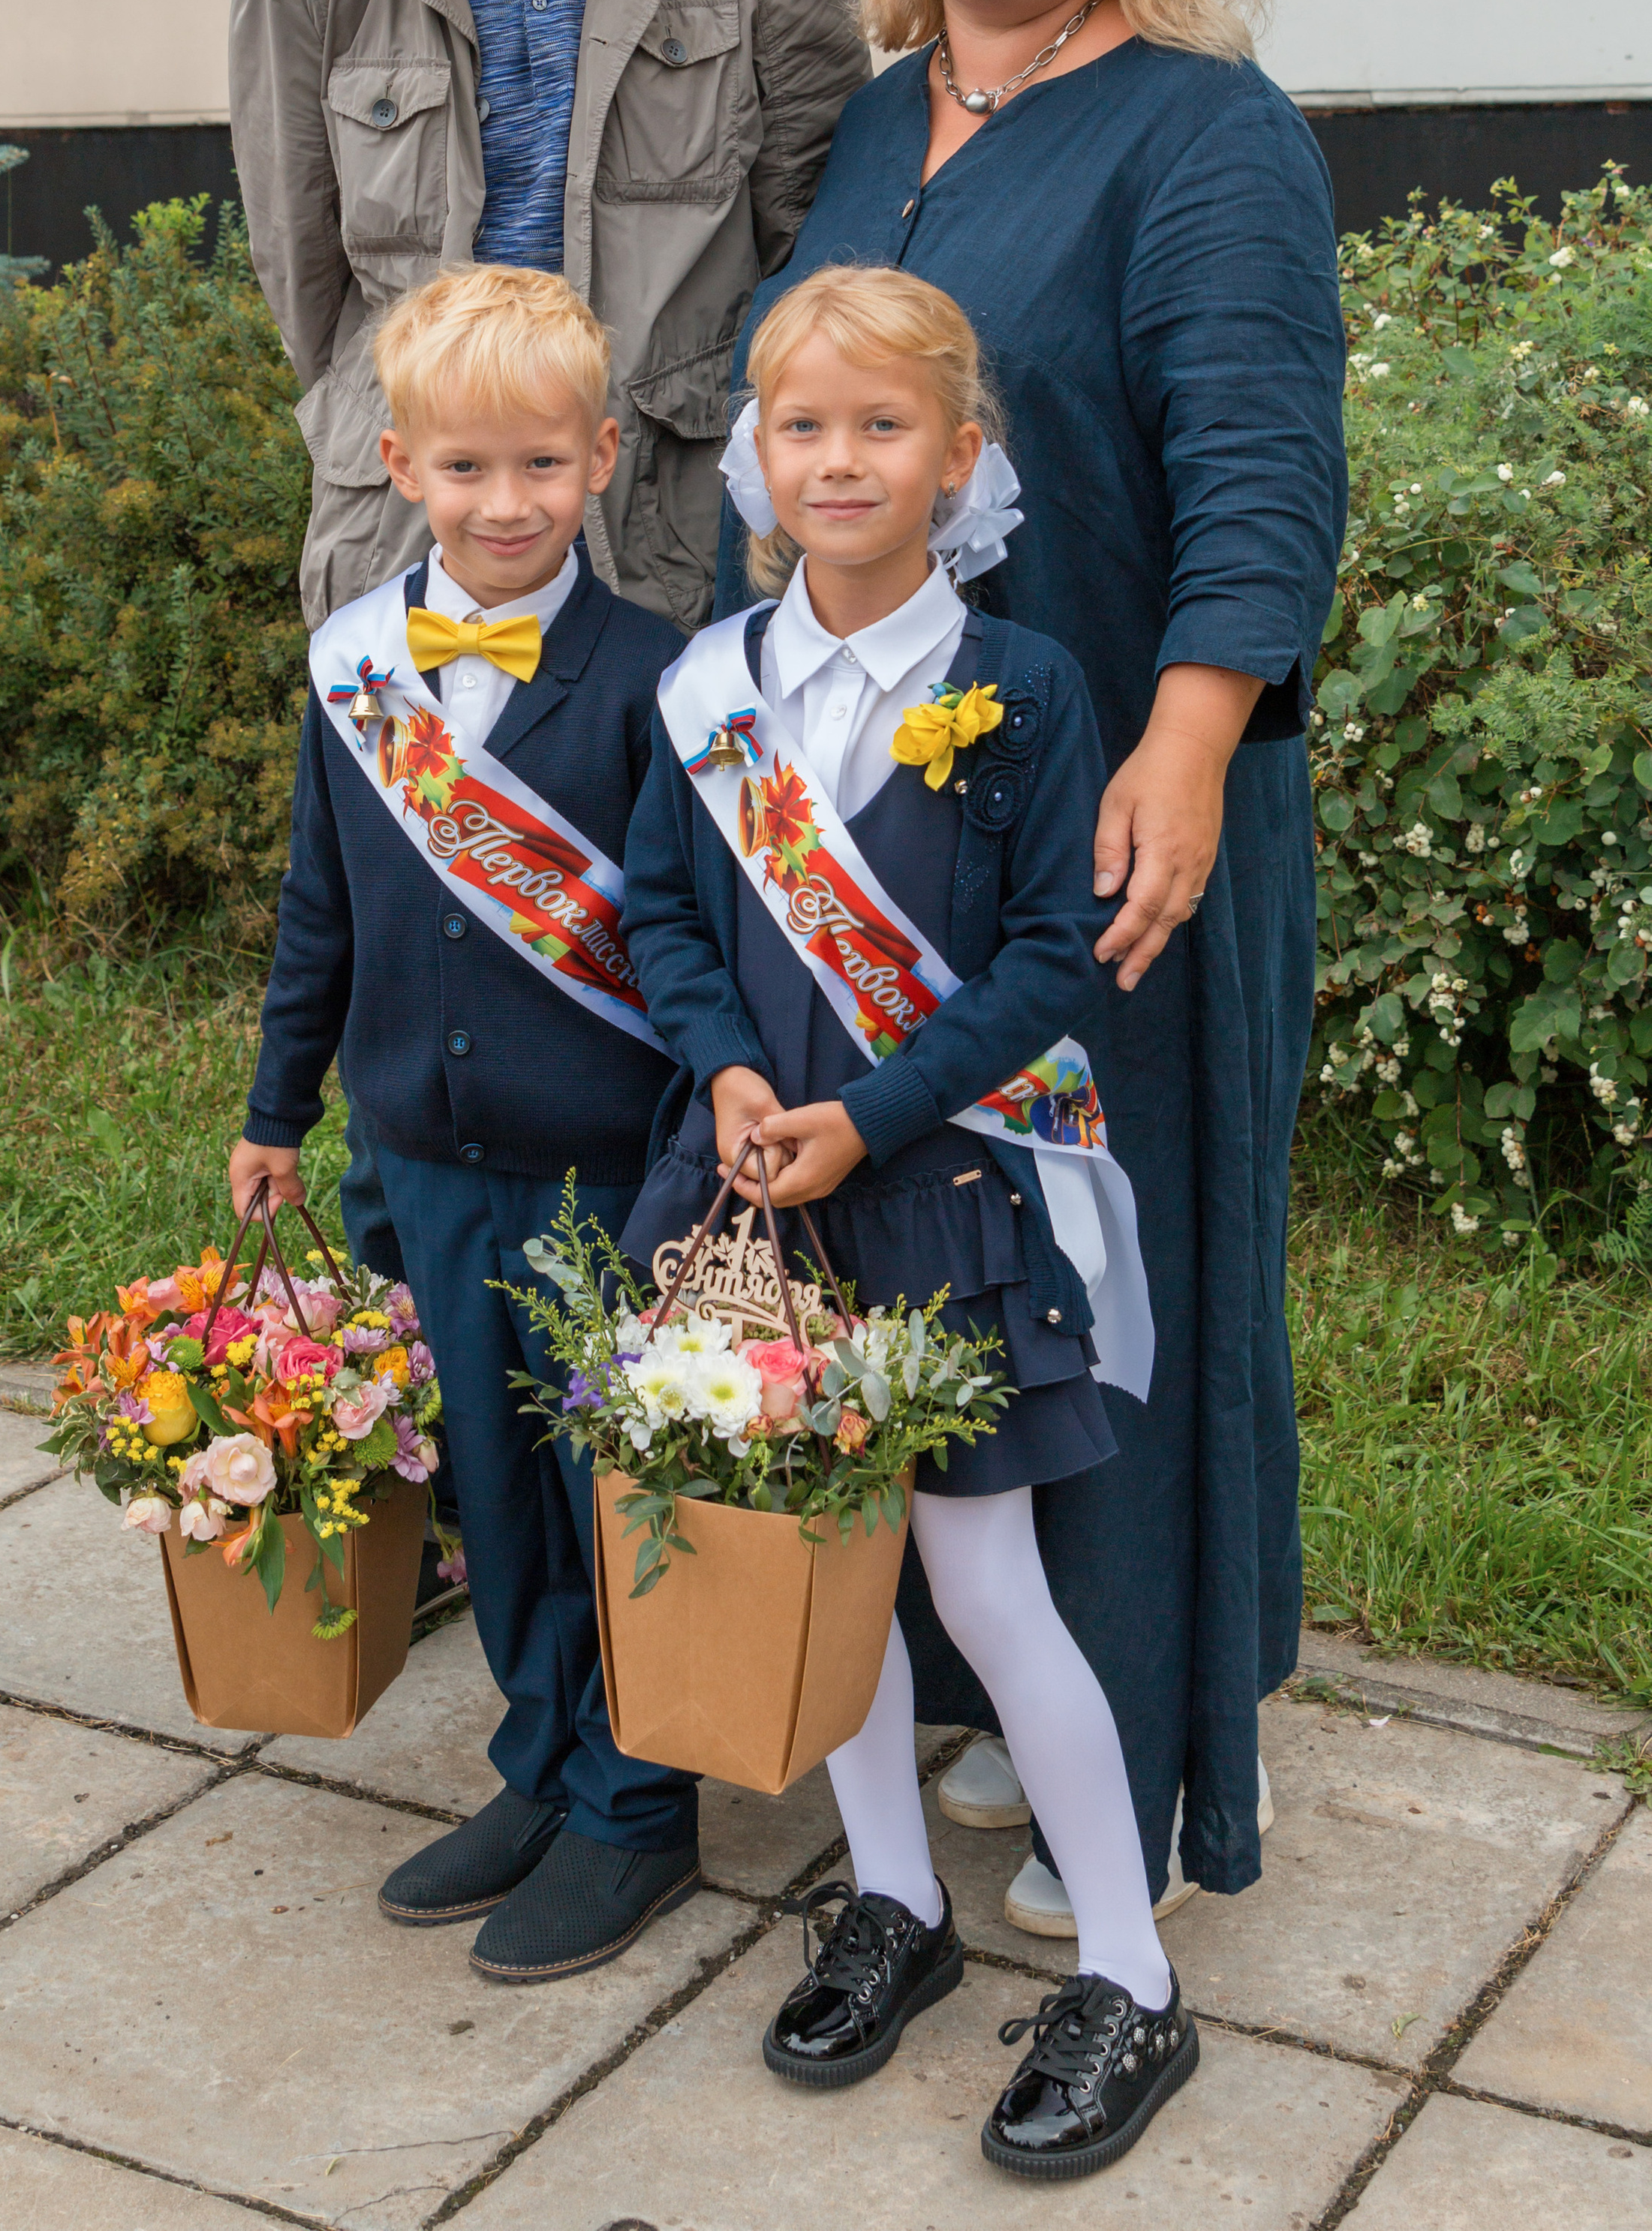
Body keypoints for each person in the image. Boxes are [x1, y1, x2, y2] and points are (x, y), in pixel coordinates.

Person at [720, 0, 1347, 1937]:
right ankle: (978, 1691)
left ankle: (1145, 1779)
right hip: (882, 846)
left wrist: (1183, 750)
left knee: (1119, 1284)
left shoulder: (1207, 129)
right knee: (937, 1267)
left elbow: (1261, 480)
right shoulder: (886, 126)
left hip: (1116, 841)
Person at [229, 0, 869, 1287]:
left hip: (665, 567)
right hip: (408, 576)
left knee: (678, 1006)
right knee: (417, 1018)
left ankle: (657, 1430)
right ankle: (422, 1443)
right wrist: (414, 472)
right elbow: (313, 297)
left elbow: (806, 266)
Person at [622, 266, 1196, 2182]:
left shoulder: (1022, 687)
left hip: (942, 1194)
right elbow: (665, 916)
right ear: (752, 463)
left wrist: (860, 1116)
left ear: (962, 458)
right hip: (755, 1185)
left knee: (978, 1589)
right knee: (816, 1561)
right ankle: (897, 1902)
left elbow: (1052, 959)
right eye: (803, 427)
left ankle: (1125, 1970)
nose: (838, 460)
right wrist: (721, 1077)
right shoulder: (709, 685)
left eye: (881, 426)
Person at [228, 266, 703, 1983]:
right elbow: (319, 908)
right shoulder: (358, 671)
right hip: (419, 1161)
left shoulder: (662, 678)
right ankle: (537, 1765)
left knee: (610, 1495)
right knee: (488, 1495)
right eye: (463, 470)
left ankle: (637, 1809)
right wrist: (281, 1107)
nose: (505, 508)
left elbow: (689, 946)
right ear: (395, 462)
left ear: (605, 457)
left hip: (602, 1170)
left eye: (541, 468)